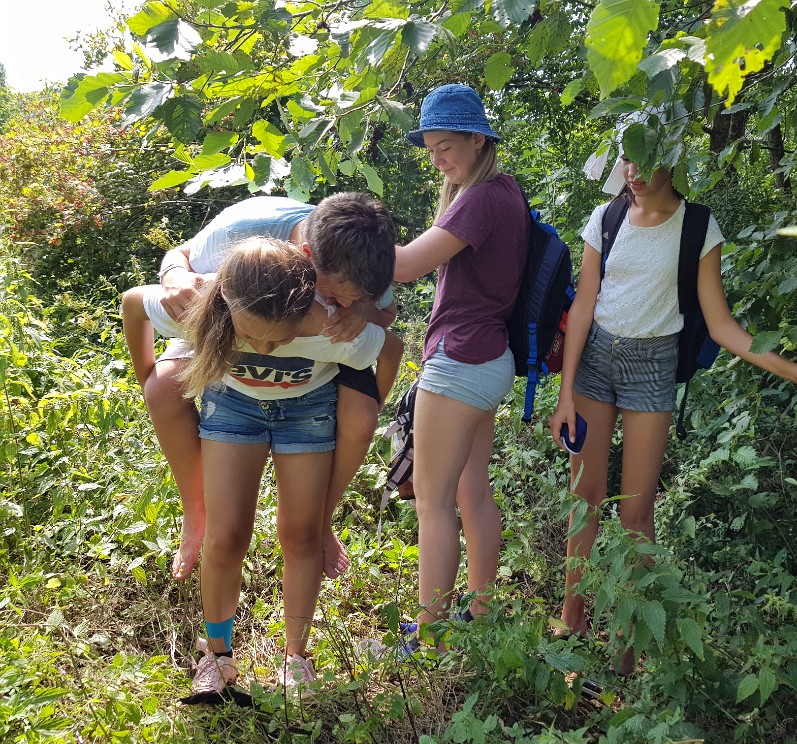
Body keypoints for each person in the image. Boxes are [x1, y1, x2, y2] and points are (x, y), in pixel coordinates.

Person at [548, 134, 797, 672]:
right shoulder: (606, 217)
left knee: (636, 513)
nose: (633, 171)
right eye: (626, 158)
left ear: (671, 158)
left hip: (653, 367)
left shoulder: (698, 227)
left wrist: (794, 368)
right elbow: (584, 304)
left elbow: (721, 323)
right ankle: (573, 620)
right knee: (584, 497)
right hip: (594, 362)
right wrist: (565, 392)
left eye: (645, 159)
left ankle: (627, 649)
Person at [123, 237, 402, 696]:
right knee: (226, 535)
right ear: (227, 303)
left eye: (281, 338)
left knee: (302, 534)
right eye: (251, 335)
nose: (265, 347)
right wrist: (146, 378)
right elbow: (134, 304)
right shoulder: (201, 307)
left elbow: (390, 349)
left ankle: (296, 657)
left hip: (308, 412)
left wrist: (373, 401)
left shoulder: (327, 326)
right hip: (232, 408)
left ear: (305, 311)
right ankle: (216, 657)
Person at [141, 192, 398, 580]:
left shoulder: (365, 255)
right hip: (237, 320)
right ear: (307, 256)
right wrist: (173, 276)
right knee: (161, 388)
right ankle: (195, 511)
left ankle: (321, 519)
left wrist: (360, 309)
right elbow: (179, 254)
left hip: (323, 339)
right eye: (333, 294)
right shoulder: (244, 230)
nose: (341, 302)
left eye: (354, 297)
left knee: (362, 419)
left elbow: (387, 312)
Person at [390, 84, 527, 644]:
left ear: (477, 139)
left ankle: (428, 634)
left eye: (445, 146)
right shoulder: (505, 191)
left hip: (459, 360)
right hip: (488, 359)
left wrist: (332, 235)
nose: (437, 160)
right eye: (430, 149)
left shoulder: (480, 197)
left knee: (432, 500)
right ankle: (481, 611)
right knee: (472, 492)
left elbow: (404, 266)